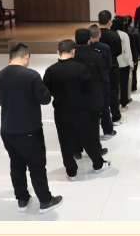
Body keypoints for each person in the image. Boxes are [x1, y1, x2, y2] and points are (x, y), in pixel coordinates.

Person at [0, 43, 62, 214]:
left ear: (10, 58)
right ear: (27, 56)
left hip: (7, 129)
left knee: (16, 164)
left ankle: (22, 199)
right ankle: (45, 201)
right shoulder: (31, 75)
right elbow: (45, 99)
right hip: (29, 129)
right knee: (36, 166)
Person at [44, 40, 111, 181]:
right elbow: (90, 89)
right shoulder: (81, 69)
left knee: (65, 142)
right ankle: (98, 164)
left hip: (61, 111)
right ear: (73, 51)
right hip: (80, 110)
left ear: (58, 51)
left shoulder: (50, 70)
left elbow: (47, 91)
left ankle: (71, 171)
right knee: (88, 138)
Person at [74, 28, 107, 160]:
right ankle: (95, 150)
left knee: (76, 124)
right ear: (89, 40)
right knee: (93, 124)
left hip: (75, 97)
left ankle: (77, 150)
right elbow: (104, 76)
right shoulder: (97, 55)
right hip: (94, 96)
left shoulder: (72, 57)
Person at [89, 24, 116, 140]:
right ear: (99, 35)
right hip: (103, 80)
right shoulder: (105, 47)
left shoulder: (85, 48)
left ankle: (92, 132)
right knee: (105, 106)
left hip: (89, 81)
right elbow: (109, 64)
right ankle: (107, 131)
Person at [98, 10, 123, 126]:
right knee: (113, 91)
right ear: (109, 21)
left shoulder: (93, 34)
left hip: (97, 67)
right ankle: (116, 116)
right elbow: (119, 51)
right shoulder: (114, 35)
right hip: (112, 66)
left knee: (98, 90)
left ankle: (99, 116)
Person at [111, 16, 134, 112]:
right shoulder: (124, 35)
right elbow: (127, 50)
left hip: (112, 62)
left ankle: (113, 104)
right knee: (123, 84)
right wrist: (130, 62)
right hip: (123, 63)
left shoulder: (110, 34)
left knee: (113, 84)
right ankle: (123, 104)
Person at [125, 15, 140, 94]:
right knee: (134, 71)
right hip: (134, 53)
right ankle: (133, 86)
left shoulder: (122, 31)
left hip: (124, 54)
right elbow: (139, 43)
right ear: (131, 22)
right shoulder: (135, 31)